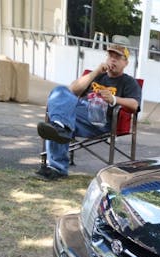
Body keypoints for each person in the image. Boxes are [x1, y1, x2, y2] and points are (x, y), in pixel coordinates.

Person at [35, 43, 142, 180]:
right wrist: (96, 71)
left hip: (99, 119)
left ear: (125, 63)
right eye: (110, 56)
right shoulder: (96, 75)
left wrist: (114, 99)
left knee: (58, 119)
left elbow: (134, 104)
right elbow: (72, 90)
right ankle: (59, 130)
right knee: (59, 91)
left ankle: (57, 166)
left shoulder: (129, 82)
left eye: (118, 57)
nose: (112, 60)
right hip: (78, 113)